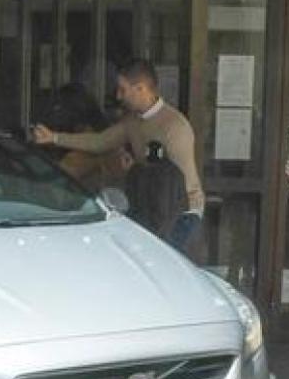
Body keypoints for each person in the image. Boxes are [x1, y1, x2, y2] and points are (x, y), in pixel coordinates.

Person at [33, 59, 205, 252]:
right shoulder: (132, 121)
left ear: (141, 89)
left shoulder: (174, 127)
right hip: (152, 207)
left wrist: (136, 173)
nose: (118, 96)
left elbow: (177, 185)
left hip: (180, 213)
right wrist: (54, 137)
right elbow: (100, 142)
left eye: (123, 90)